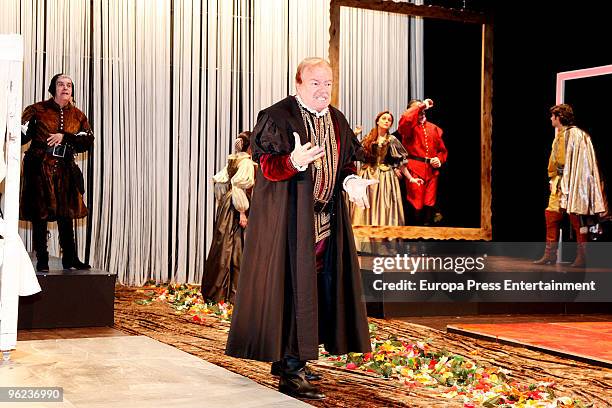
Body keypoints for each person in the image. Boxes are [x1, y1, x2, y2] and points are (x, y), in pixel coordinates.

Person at [225, 57, 374, 400]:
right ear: (298, 84)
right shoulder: (277, 116)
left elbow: (346, 160)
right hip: (289, 223)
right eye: (315, 83)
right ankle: (292, 370)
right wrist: (293, 162)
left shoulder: (337, 119)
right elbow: (267, 167)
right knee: (293, 288)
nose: (323, 90)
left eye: (328, 84)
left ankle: (289, 360)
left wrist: (351, 181)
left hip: (325, 221)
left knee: (315, 288)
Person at [20, 73, 94, 271]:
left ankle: (70, 258)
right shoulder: (37, 110)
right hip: (39, 168)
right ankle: (42, 259)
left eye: (69, 85)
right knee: (40, 214)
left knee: (66, 213)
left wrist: (66, 137)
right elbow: (20, 137)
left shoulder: (78, 115)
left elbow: (88, 140)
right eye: (61, 84)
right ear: (53, 88)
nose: (65, 88)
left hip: (65, 169)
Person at [534, 104, 607, 267]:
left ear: (559, 117)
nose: (551, 119)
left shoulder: (578, 135)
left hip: (574, 182)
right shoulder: (559, 135)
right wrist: (552, 178)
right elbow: (553, 161)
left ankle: (582, 257)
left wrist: (574, 180)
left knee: (577, 218)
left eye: (553, 116)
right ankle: (550, 254)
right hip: (560, 182)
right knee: (551, 215)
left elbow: (584, 163)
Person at [351, 110, 420, 249]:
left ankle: (382, 245)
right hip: (367, 175)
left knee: (384, 208)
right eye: (384, 118)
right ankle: (362, 244)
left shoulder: (392, 140)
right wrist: (356, 133)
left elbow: (401, 163)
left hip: (384, 178)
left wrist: (411, 178)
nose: (387, 121)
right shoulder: (368, 137)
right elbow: (354, 152)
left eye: (389, 120)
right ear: (377, 121)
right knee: (366, 208)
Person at [201, 131, 256, 303]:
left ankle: (220, 291)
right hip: (238, 205)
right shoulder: (246, 162)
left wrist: (223, 199)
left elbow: (219, 180)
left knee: (225, 243)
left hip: (228, 203)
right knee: (237, 245)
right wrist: (242, 211)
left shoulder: (233, 160)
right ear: (250, 146)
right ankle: (233, 293)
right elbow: (238, 186)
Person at [397, 98, 448, 225]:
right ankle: (413, 241)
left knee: (429, 206)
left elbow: (442, 151)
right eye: (418, 108)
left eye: (423, 109)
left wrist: (439, 159)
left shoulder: (433, 128)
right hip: (414, 169)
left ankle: (426, 241)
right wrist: (421, 105)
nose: (421, 110)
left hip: (431, 172)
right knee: (415, 206)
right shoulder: (408, 127)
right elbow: (405, 119)